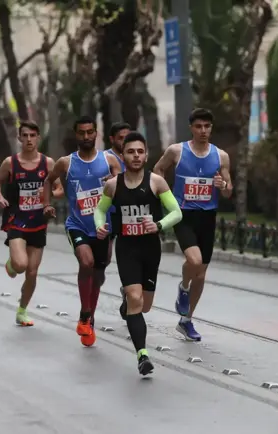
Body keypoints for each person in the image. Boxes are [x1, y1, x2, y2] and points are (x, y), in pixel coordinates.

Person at [94, 131, 182, 375]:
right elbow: (100, 211)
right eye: (130, 151)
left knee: (144, 306)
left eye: (140, 152)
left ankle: (128, 301)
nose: (135, 156)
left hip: (150, 249)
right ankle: (142, 355)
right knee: (135, 298)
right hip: (127, 248)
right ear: (122, 155)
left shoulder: (156, 182)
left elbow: (176, 211)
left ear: (146, 155)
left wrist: (160, 225)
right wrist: (99, 225)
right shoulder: (113, 185)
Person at [153, 108, 233, 341]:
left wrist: (222, 185)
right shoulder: (177, 151)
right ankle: (183, 288)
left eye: (207, 127)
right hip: (183, 215)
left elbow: (229, 191)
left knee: (201, 273)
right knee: (194, 261)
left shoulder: (221, 156)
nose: (203, 131)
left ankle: (186, 320)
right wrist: (163, 195)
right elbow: (158, 170)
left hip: (207, 217)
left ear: (211, 128)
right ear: (191, 128)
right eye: (199, 126)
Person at [43, 115, 122, 347]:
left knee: (99, 272)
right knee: (86, 263)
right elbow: (49, 181)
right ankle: (85, 313)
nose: (86, 137)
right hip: (77, 224)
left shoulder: (109, 161)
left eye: (90, 132)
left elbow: (125, 184)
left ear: (96, 133)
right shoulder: (66, 163)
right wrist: (47, 204)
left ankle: (88, 317)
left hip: (103, 227)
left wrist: (116, 180)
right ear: (75, 135)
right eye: (82, 133)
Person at [0, 120, 63, 326]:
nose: (29, 139)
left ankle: (22, 310)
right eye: (25, 135)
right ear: (20, 138)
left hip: (39, 223)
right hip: (17, 220)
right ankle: (12, 264)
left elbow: (59, 189)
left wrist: (47, 199)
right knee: (21, 265)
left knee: (32, 272)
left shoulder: (48, 163)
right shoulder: (10, 163)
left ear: (38, 137)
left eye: (33, 135)